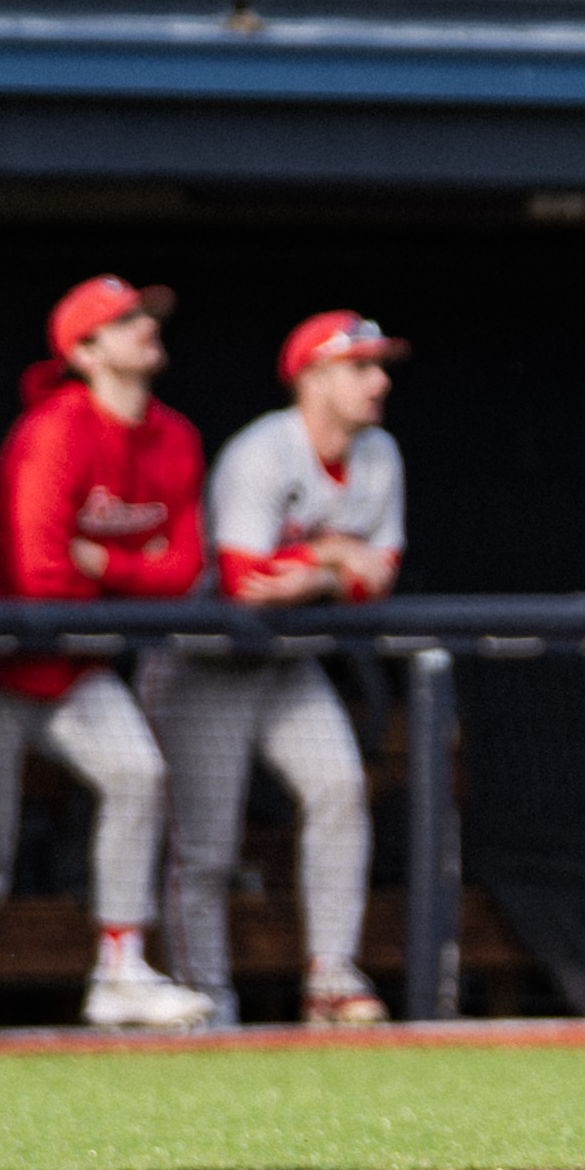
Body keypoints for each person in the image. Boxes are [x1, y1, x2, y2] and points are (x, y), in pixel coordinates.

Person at [0, 275, 214, 1031]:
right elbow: (41, 577)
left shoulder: (176, 435)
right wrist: (134, 570)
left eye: (145, 316)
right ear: (83, 352)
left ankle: (121, 972)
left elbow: (185, 571)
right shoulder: (53, 430)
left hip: (77, 667)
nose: (145, 327)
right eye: (123, 321)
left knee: (137, 773)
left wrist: (105, 562)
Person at [139, 311, 406, 1028]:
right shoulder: (263, 451)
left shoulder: (379, 453)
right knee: (206, 847)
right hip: (204, 662)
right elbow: (245, 585)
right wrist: (333, 557)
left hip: (287, 665)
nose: (379, 381)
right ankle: (206, 1000)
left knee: (340, 789)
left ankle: (331, 977)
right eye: (360, 366)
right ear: (311, 377)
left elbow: (382, 574)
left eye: (379, 366)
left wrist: (316, 573)